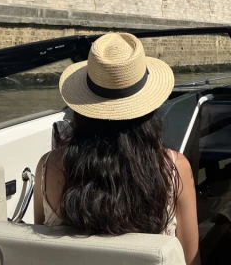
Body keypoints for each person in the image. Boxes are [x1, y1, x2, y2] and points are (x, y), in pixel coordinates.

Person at [34, 32, 200, 265]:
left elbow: (40, 252)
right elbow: (192, 259)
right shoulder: (174, 168)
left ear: (83, 107)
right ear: (149, 108)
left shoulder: (49, 167)